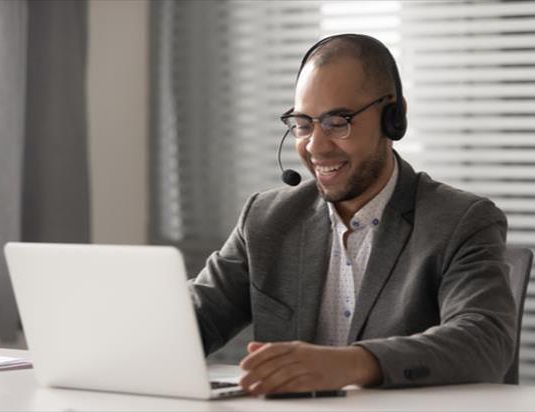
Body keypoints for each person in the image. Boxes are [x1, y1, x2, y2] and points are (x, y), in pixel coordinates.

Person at [188, 34, 516, 395]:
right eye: (303, 124)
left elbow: (485, 340)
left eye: (337, 122)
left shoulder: (461, 220)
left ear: (394, 118)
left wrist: (352, 363)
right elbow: (195, 318)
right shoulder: (266, 219)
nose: (315, 146)